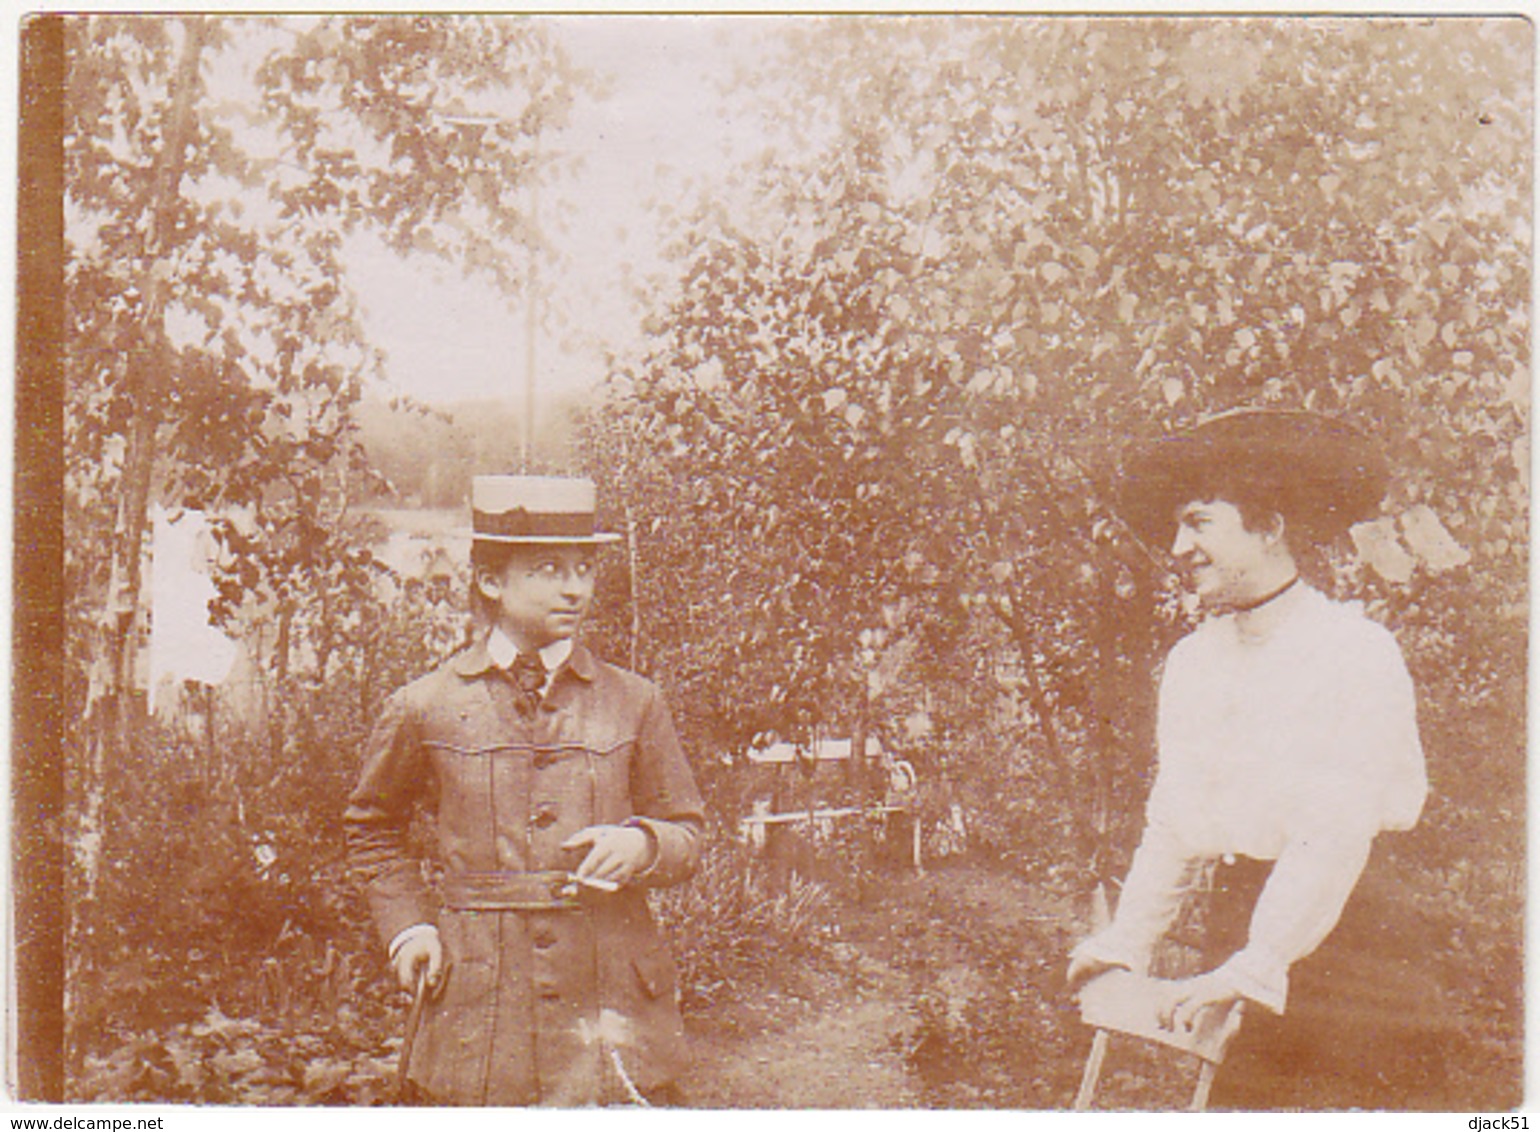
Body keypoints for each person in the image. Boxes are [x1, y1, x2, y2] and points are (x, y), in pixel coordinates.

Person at [1066, 409, 1443, 1109]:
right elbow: (1174, 824)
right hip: (1246, 930)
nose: (1177, 546)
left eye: (1199, 522)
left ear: (1270, 528)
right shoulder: (1194, 662)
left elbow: (1332, 835)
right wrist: (1128, 940)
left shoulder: (1354, 654)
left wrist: (1261, 961)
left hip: (1355, 949)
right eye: (1177, 527)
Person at [345, 475, 705, 1106]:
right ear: (491, 581)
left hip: (612, 1004)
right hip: (480, 1010)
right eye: (547, 568)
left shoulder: (636, 701)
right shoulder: (425, 705)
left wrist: (644, 845)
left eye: (584, 568)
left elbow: (688, 830)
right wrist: (410, 929)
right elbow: (372, 830)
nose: (575, 587)